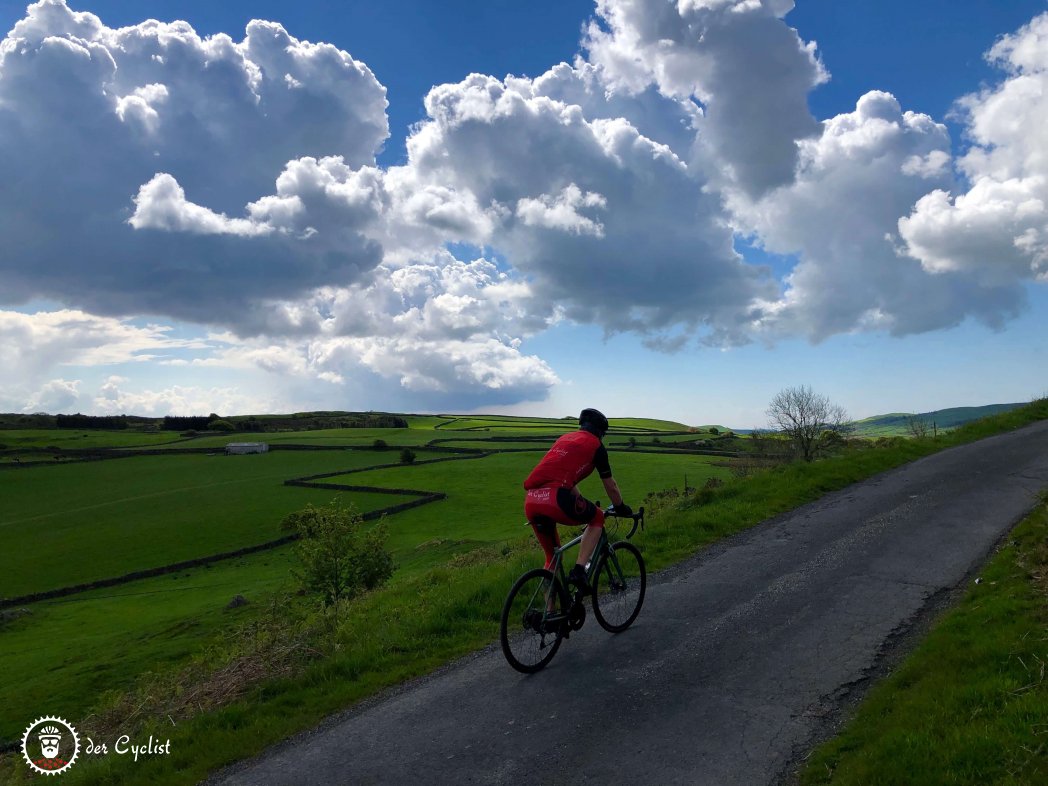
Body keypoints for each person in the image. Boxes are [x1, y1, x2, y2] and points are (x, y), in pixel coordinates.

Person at [523, 408, 632, 592]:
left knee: (552, 558)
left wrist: (580, 500)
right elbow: (610, 485)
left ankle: (549, 614)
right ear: (600, 432)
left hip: (532, 500)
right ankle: (579, 570)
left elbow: (564, 478)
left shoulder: (565, 439)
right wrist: (621, 507)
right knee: (597, 517)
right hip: (556, 498)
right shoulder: (596, 446)